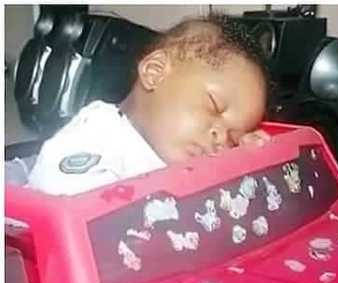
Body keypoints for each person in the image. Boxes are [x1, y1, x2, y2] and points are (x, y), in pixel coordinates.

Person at [27, 15, 270, 196]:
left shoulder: (173, 158)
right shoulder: (97, 136)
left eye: (233, 138)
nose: (220, 137)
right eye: (214, 106)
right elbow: (63, 202)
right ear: (155, 73)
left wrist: (243, 168)